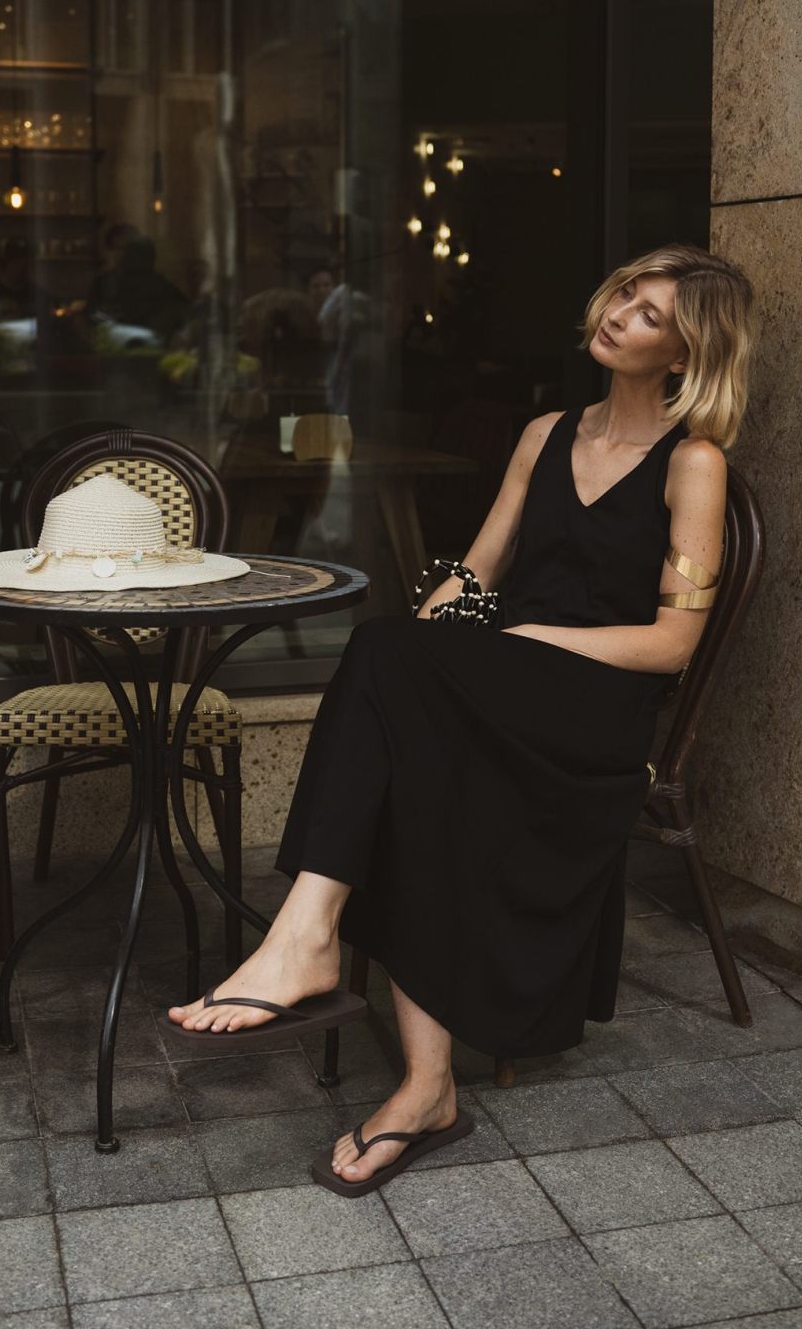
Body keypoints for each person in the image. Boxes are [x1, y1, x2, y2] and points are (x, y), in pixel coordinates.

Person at [161, 241, 755, 1193]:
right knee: (397, 679)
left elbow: (672, 645)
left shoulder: (693, 463)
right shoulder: (545, 434)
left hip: (591, 717)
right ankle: (423, 1083)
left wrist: (522, 641)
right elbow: (477, 573)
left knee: (386, 662)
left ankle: (305, 938)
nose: (619, 316)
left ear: (685, 353)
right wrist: (435, 644)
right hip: (505, 686)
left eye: (651, 315)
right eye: (624, 294)